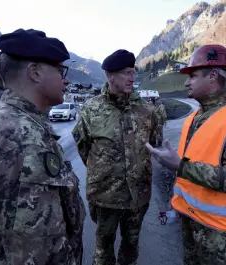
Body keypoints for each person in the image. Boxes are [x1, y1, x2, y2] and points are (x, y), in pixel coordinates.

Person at [0, 28, 86, 265]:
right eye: (61, 70)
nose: (66, 79)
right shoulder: (22, 138)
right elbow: (38, 252)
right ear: (35, 72)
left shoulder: (4, 119)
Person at [145, 44, 226, 265]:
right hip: (191, 221)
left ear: (212, 75)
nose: (186, 82)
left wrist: (180, 166)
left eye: (192, 76)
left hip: (219, 234)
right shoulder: (196, 117)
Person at [72, 49, 158, 265]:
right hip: (105, 196)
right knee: (103, 251)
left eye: (133, 72)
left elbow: (153, 144)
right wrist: (104, 171)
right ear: (110, 76)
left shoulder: (146, 111)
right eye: (125, 73)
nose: (132, 78)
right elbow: (84, 148)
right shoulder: (90, 110)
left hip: (138, 195)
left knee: (131, 248)